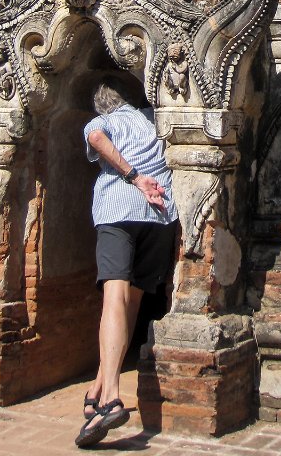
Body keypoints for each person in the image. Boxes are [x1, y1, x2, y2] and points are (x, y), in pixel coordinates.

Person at [75, 75, 179, 449]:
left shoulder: (105, 121)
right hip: (160, 217)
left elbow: (95, 138)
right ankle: (99, 386)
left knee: (113, 299)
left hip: (119, 211)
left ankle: (111, 398)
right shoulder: (151, 117)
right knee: (132, 302)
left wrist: (133, 176)